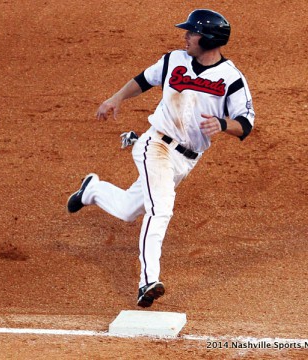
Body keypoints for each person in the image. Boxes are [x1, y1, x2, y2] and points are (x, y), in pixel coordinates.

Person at [66, 9, 255, 308]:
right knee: (161, 209)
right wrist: (115, 98)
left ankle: (92, 190)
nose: (186, 36)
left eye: (192, 32)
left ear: (208, 38)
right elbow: (143, 80)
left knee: (130, 210)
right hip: (155, 145)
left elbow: (246, 124)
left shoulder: (232, 79)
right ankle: (148, 281)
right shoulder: (173, 60)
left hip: (186, 160)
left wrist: (222, 125)